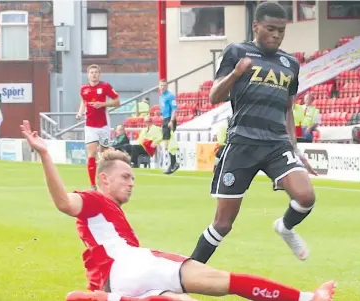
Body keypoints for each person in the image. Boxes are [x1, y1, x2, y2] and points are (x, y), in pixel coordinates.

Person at [18, 120, 336, 301]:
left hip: (116, 279)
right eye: (125, 177)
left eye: (133, 178)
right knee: (223, 281)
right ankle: (309, 299)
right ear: (104, 179)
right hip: (131, 264)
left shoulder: (105, 213)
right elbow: (64, 203)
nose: (131, 183)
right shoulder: (94, 199)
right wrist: (45, 155)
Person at [190, 2, 318, 264]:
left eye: (281, 31)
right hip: (242, 144)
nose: (276, 35)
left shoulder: (290, 63)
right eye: (271, 29)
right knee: (223, 224)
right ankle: (187, 273)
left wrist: (294, 147)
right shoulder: (237, 52)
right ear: (255, 26)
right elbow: (215, 95)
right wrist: (236, 73)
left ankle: (285, 227)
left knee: (306, 197)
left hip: (276, 144)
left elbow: (287, 107)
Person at [76, 64, 120, 190]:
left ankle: (108, 179)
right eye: (91, 72)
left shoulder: (105, 87)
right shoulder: (84, 89)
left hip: (103, 125)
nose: (94, 74)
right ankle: (92, 184)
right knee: (92, 153)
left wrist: (103, 104)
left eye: (96, 72)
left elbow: (117, 102)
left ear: (99, 74)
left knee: (105, 153)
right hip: (90, 125)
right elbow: (84, 102)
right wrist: (80, 112)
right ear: (88, 75)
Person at [158, 79, 179, 175]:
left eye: (164, 85)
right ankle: (173, 163)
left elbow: (174, 109)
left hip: (170, 120)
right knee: (167, 143)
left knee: (170, 143)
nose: (162, 87)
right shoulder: (161, 96)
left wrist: (171, 121)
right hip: (165, 119)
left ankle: (173, 164)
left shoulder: (170, 96)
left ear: (167, 86)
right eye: (161, 85)